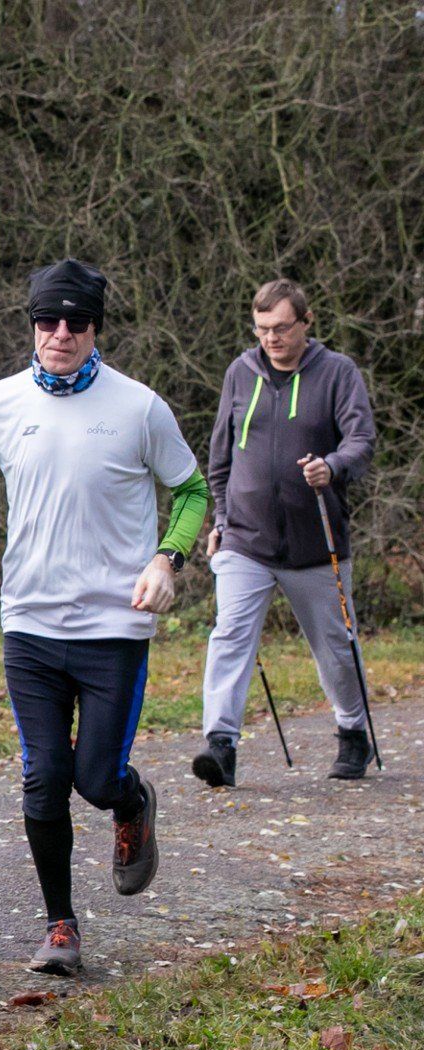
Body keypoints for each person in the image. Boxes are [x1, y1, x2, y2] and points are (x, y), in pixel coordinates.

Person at [0, 259, 208, 977]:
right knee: (43, 776)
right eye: (46, 320)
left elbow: (190, 491)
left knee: (94, 778)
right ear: (30, 324)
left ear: (95, 329)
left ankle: (131, 800)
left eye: (75, 322)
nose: (59, 333)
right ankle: (60, 924)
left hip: (115, 625)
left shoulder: (140, 407)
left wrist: (167, 561)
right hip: (28, 621)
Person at [196, 278, 377, 786]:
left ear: (305, 322)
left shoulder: (338, 372)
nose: (270, 339)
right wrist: (222, 521)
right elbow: (221, 458)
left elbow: (362, 440)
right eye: (261, 329)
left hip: (317, 543)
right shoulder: (241, 371)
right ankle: (221, 745)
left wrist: (333, 466)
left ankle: (352, 731)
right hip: (246, 541)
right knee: (230, 635)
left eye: (280, 328)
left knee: (336, 646)